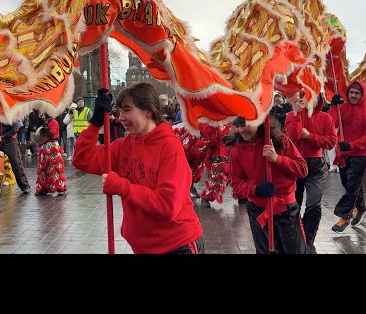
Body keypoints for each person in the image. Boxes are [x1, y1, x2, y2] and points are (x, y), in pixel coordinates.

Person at [73, 83, 204, 254]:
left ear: (148, 111)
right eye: (119, 110)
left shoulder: (170, 147)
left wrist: (122, 187)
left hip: (177, 245)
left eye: (127, 110)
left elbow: (167, 206)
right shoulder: (123, 146)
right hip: (143, 247)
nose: (120, 117)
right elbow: (82, 159)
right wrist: (95, 123)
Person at [228, 115, 310, 254]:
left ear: (257, 121)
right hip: (257, 210)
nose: (241, 130)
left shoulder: (279, 140)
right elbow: (236, 183)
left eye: (244, 124)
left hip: (285, 209)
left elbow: (302, 169)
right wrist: (256, 190)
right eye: (237, 126)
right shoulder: (236, 150)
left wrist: (278, 159)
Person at [284, 92, 337, 250]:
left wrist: (310, 136)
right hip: (295, 164)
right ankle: (296, 236)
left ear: (318, 99)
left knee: (313, 203)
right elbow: (293, 135)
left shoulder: (325, 117)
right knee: (294, 204)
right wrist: (296, 114)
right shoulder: (290, 115)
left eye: (311, 97)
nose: (306, 100)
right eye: (303, 96)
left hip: (316, 166)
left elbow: (331, 142)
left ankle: (308, 240)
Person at [328, 80, 366, 232]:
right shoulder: (342, 108)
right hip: (344, 153)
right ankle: (361, 207)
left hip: (361, 154)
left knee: (353, 186)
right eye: (351, 92)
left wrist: (351, 145)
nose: (353, 95)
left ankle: (345, 217)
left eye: (357, 93)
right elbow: (331, 123)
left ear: (363, 94)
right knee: (349, 184)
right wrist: (333, 106)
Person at [0, 118, 31, 193]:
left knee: (16, 163)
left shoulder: (11, 115)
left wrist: (1, 137)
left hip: (10, 142)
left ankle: (25, 185)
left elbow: (15, 129)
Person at [34, 113, 67, 196]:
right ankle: (44, 188)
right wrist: (42, 123)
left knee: (54, 168)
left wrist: (46, 128)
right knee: (43, 168)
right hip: (45, 146)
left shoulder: (54, 122)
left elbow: (51, 135)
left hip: (52, 146)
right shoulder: (45, 122)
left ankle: (59, 188)